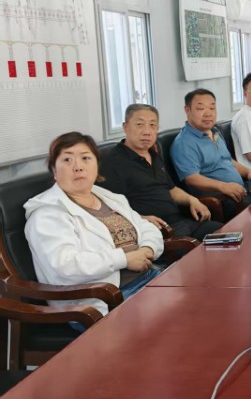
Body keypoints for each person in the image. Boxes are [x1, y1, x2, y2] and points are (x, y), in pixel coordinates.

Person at [24, 132, 164, 322]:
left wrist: (147, 249)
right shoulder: (46, 215)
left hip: (150, 275)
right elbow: (65, 266)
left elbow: (146, 227)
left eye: (85, 158)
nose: (78, 166)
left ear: (96, 166)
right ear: (55, 172)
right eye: (67, 159)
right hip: (105, 300)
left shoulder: (107, 197)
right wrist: (124, 259)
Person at [101, 104, 223, 241]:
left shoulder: (153, 154)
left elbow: (170, 188)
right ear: (125, 127)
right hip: (156, 233)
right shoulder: (112, 163)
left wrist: (192, 200)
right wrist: (141, 219)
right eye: (140, 124)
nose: (147, 132)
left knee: (228, 234)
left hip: (181, 222)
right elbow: (107, 211)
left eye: (152, 125)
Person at [171, 88, 251, 220]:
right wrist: (223, 187)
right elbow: (191, 178)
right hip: (220, 200)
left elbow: (228, 160)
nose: (208, 114)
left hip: (240, 191)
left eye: (212, 108)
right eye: (201, 109)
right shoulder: (184, 143)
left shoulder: (215, 132)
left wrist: (247, 172)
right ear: (187, 110)